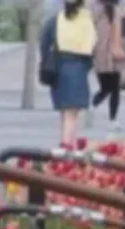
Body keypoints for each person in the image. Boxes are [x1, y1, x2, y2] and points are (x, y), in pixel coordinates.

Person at [40, 1, 97, 146]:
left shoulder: (55, 20)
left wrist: (47, 61)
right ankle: (66, 148)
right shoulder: (86, 22)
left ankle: (67, 145)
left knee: (65, 113)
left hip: (58, 70)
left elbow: (44, 43)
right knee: (72, 114)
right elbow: (92, 49)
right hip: (77, 68)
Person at [91, 1, 125, 125]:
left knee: (114, 89)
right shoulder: (96, 10)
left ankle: (112, 118)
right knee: (106, 88)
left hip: (114, 56)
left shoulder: (119, 10)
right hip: (103, 55)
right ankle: (92, 107)